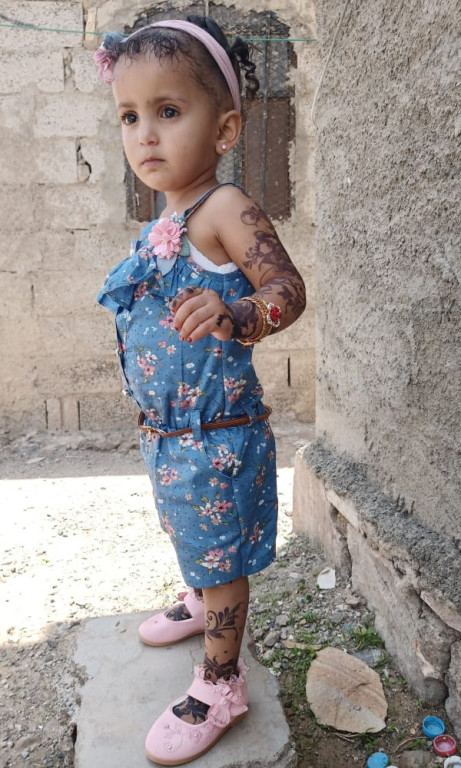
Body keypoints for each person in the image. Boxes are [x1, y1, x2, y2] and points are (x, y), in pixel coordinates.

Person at [94, 15, 306, 765]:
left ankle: (220, 682)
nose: (145, 134)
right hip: (169, 434)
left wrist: (237, 312)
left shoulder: (222, 208)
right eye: (129, 116)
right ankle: (198, 599)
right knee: (191, 536)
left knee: (223, 561)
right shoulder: (169, 215)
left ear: (224, 131)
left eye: (167, 111)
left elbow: (287, 289)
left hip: (219, 437)